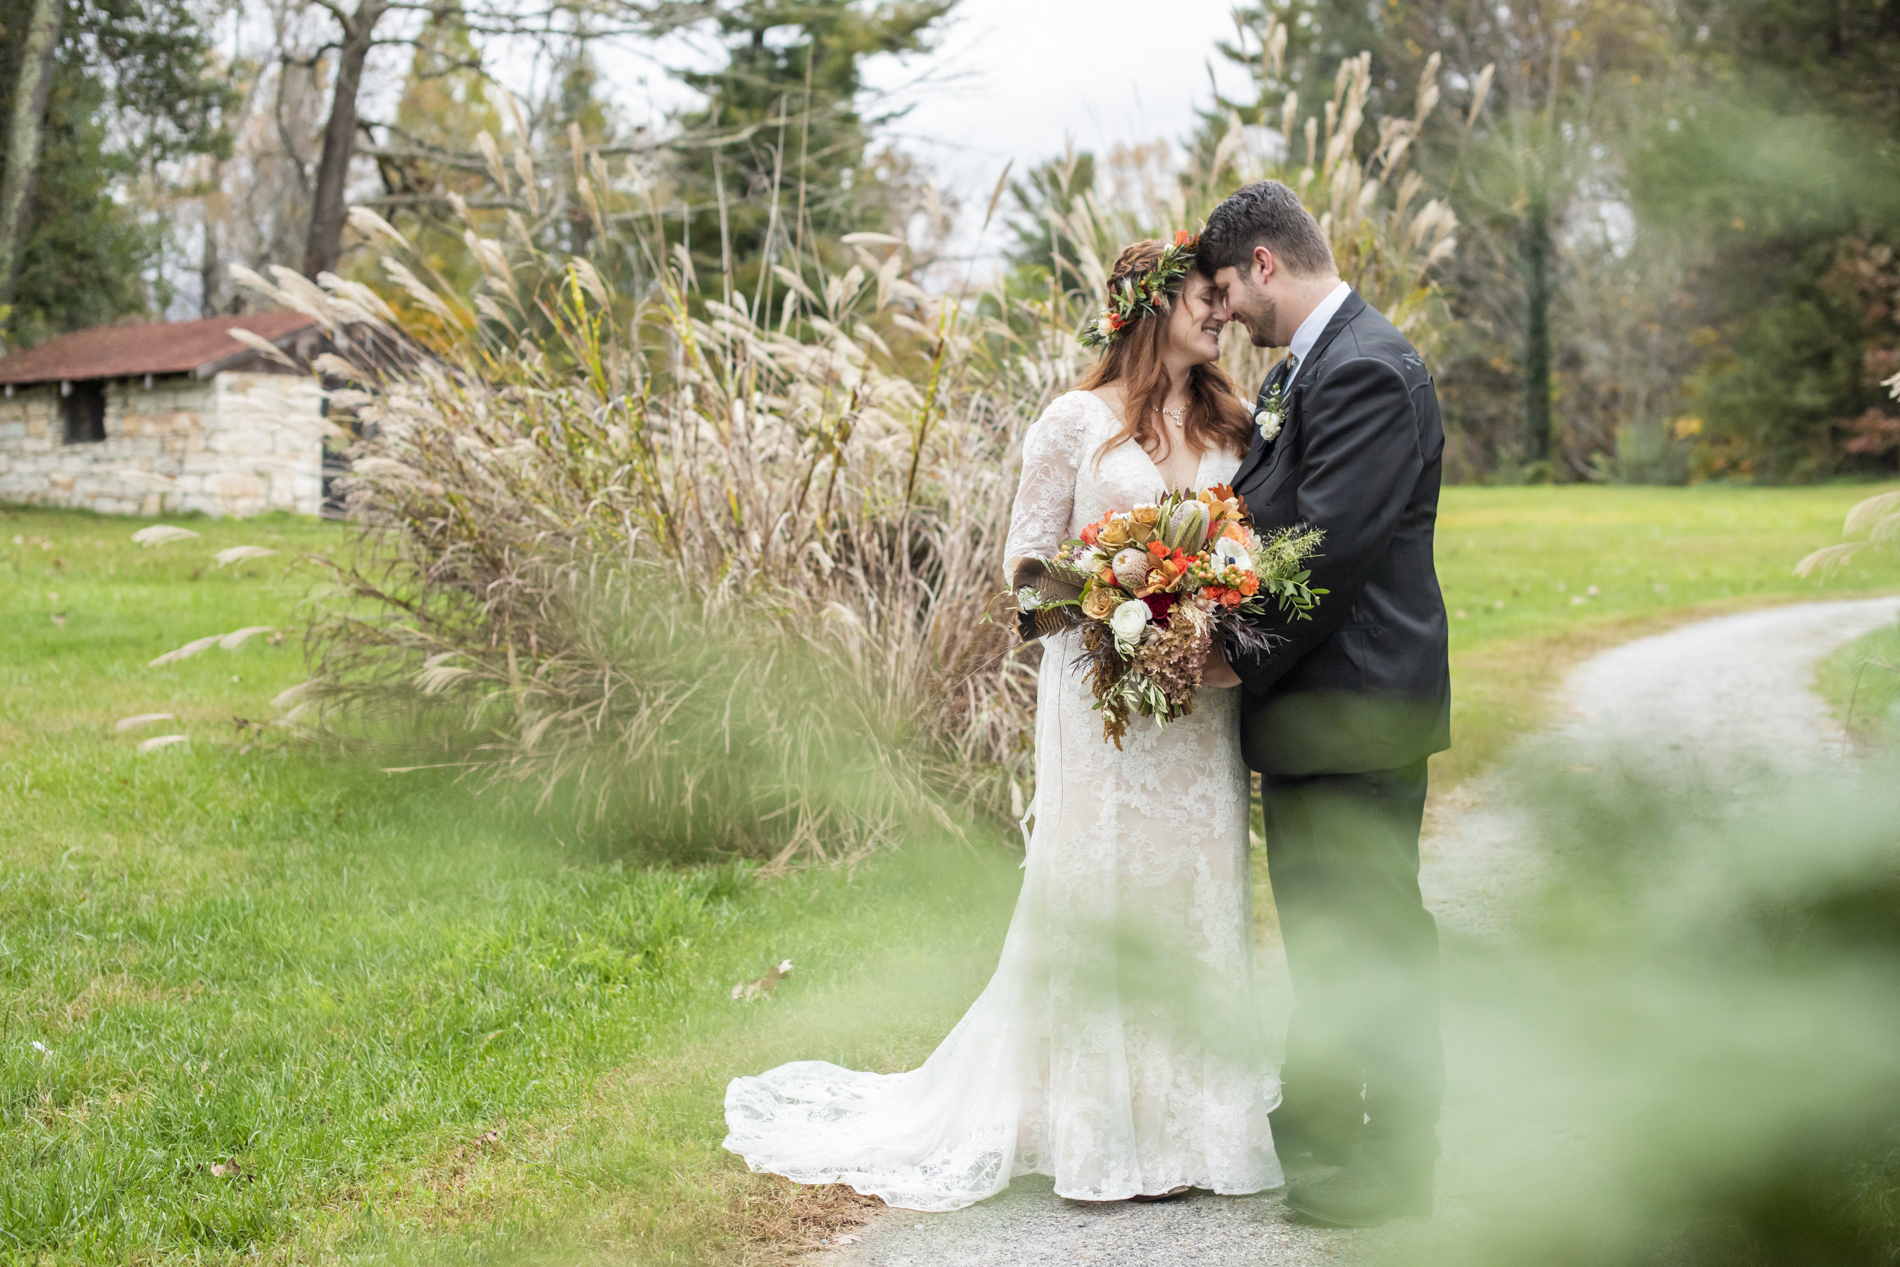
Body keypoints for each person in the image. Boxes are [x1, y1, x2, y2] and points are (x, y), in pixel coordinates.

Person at [721, 235, 1284, 1210]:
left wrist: (1205, 607)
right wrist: (1124, 595)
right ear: (1151, 304)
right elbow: (1024, 581)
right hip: (1104, 707)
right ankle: (1100, 1132)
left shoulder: (1236, 422)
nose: (1223, 311)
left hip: (1197, 712)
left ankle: (1198, 1125)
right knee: (1106, 895)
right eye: (1205, 295)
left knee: (1196, 893)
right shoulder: (1074, 423)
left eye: (1226, 298)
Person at [1198, 180, 1452, 1228]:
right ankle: (1323, 1135)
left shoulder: (1362, 371)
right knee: (1326, 932)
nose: (1223, 316)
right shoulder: (1311, 370)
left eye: (1224, 291)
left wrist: (1223, 651)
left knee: (1373, 933)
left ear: (1263, 263)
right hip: (1321, 712)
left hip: (1358, 708)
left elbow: (1327, 553)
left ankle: (1393, 1167)